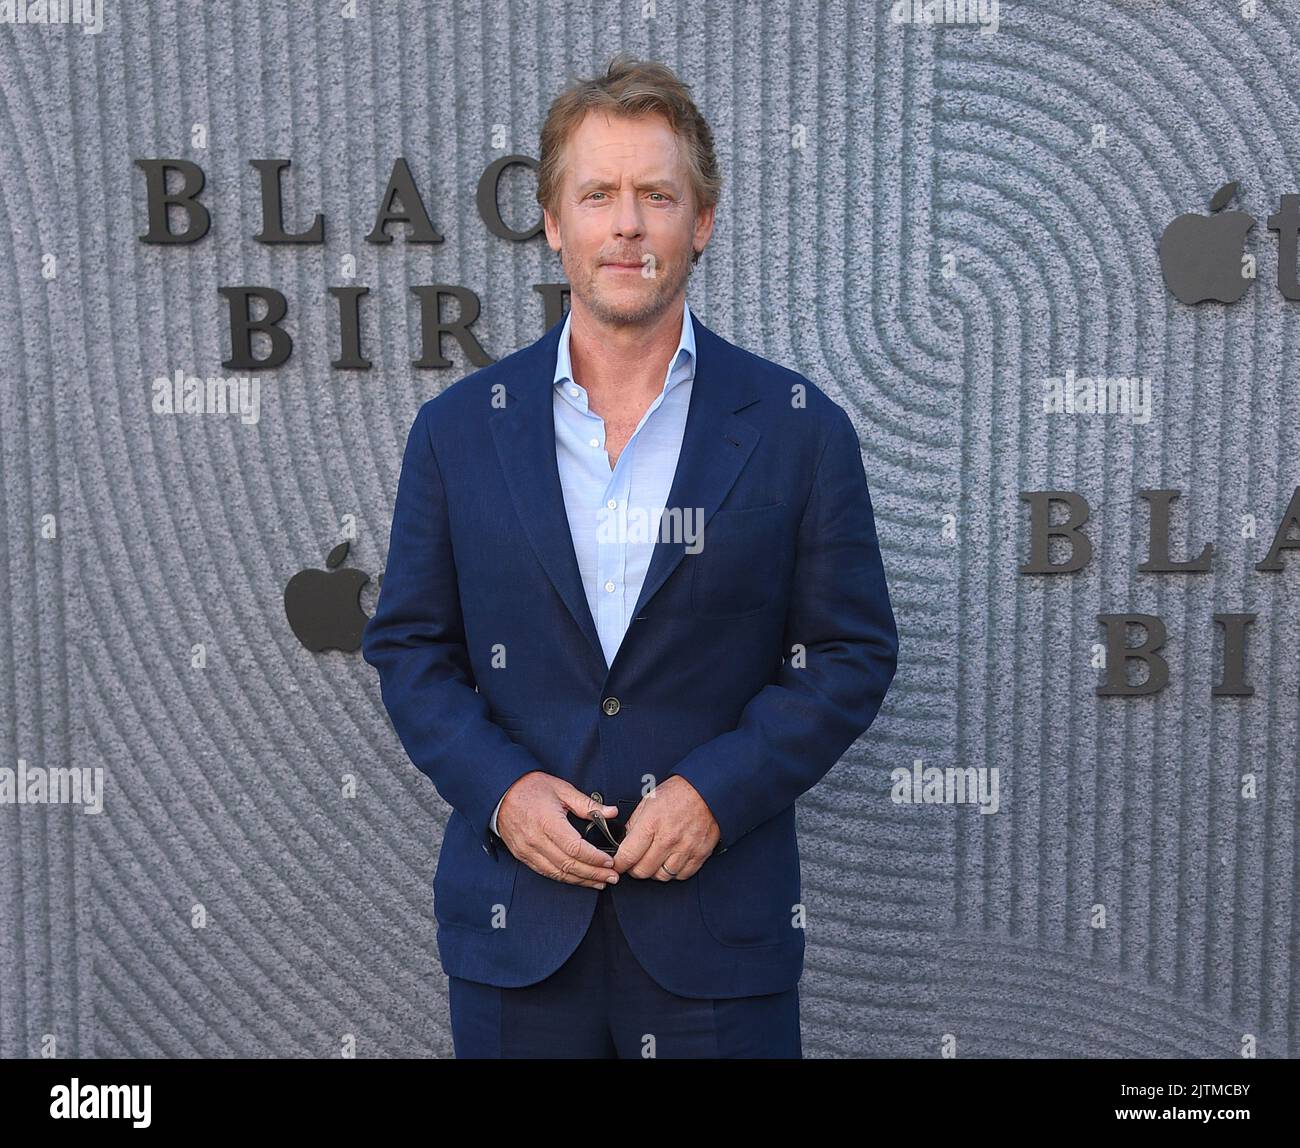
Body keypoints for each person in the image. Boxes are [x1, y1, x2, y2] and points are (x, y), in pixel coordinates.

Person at [362, 53, 898, 1058]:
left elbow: (849, 653)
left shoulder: (795, 428)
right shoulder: (457, 430)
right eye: (597, 194)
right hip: (515, 939)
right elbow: (409, 647)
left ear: (701, 221)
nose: (627, 224)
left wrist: (715, 790)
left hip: (719, 944)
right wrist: (503, 789)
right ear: (554, 223)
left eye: (657, 195)